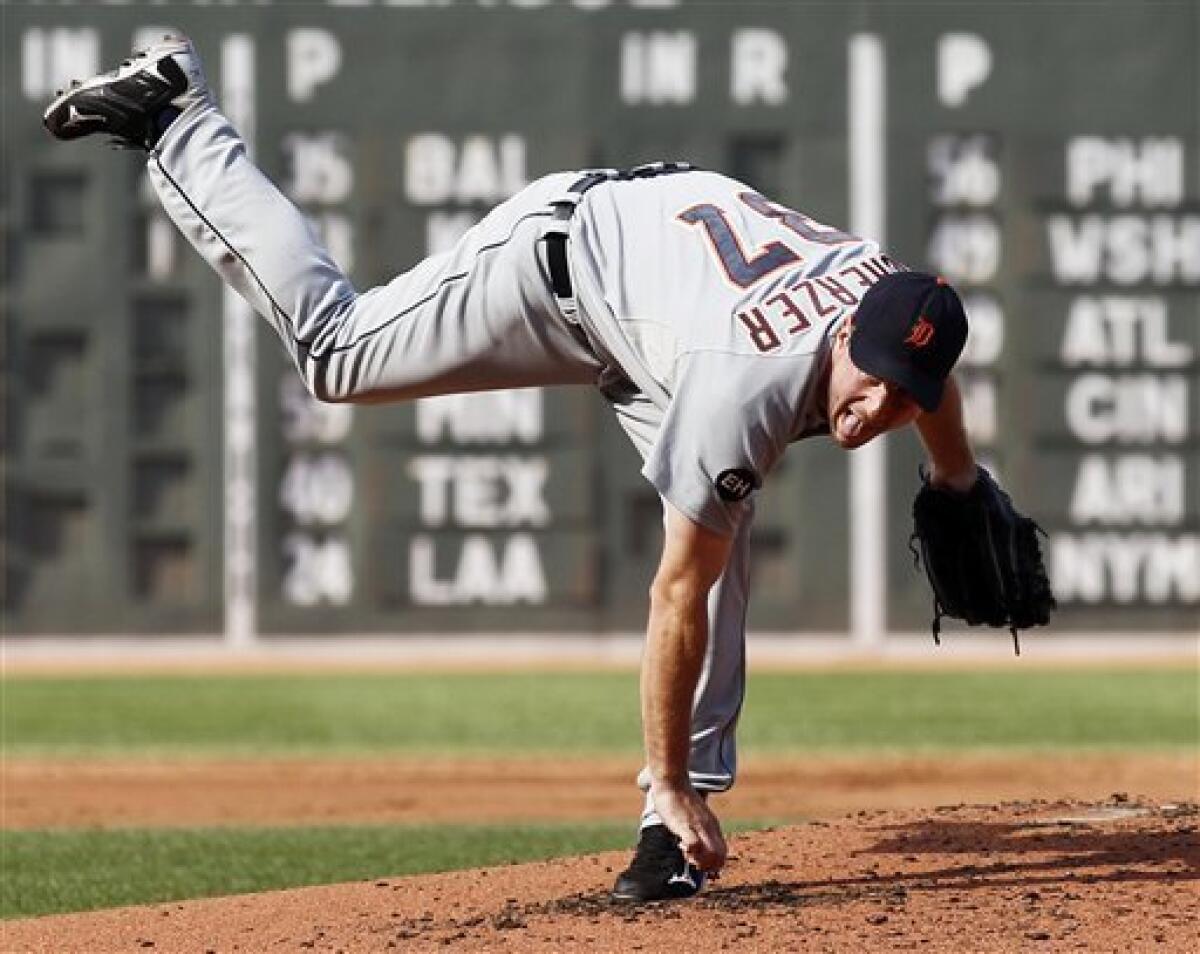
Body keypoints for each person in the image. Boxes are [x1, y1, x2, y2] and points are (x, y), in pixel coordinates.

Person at [44, 36, 981, 902]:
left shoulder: (890, 314)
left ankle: (667, 835)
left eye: (905, 393)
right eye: (875, 381)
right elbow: (672, 599)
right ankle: (179, 115)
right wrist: (666, 771)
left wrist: (959, 483)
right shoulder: (745, 387)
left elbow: (925, 370)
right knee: (337, 357)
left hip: (663, 300)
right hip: (559, 267)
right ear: (847, 334)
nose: (880, 410)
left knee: (725, 534)